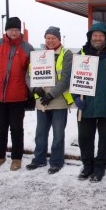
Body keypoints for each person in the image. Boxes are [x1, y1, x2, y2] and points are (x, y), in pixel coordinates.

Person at [0, 17, 34, 171]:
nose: (14, 32)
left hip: (17, 96)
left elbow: (32, 73)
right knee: (0, 127)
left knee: (17, 128)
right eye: (11, 29)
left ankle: (16, 158)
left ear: (20, 31)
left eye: (17, 30)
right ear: (6, 30)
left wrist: (32, 92)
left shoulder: (27, 48)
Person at [72, 22, 106, 182]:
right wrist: (75, 98)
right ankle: (87, 166)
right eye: (95, 35)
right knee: (85, 138)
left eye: (101, 35)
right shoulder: (81, 53)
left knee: (105, 139)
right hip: (86, 105)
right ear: (90, 37)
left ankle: (100, 168)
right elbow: (75, 78)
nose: (98, 38)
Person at [26, 26, 74, 174]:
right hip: (41, 101)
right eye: (48, 38)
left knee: (58, 134)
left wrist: (51, 95)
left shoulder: (66, 54)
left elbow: (66, 79)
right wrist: (34, 89)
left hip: (58, 100)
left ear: (59, 39)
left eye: (53, 38)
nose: (50, 40)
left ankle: (56, 161)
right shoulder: (38, 55)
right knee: (40, 132)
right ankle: (39, 159)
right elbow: (28, 75)